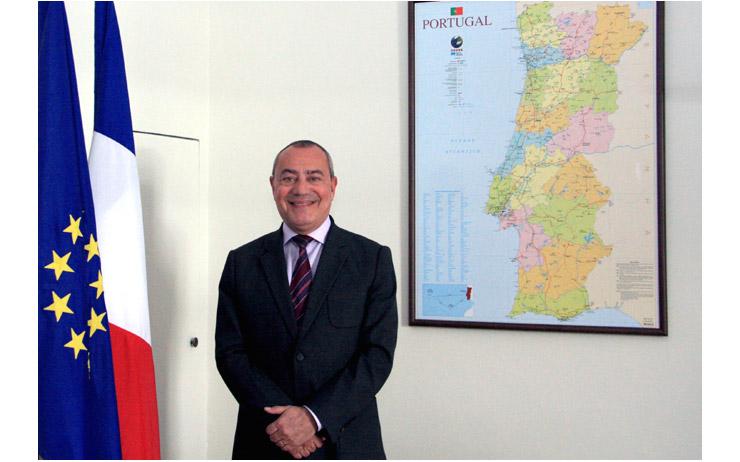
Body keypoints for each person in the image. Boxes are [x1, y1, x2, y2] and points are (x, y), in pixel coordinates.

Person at [216, 140, 398, 459]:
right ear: (273, 186)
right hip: (265, 441)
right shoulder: (241, 262)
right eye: (288, 178)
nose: (301, 189)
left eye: (314, 177)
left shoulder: (372, 260)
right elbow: (231, 352)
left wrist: (314, 418)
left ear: (333, 185)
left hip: (348, 444)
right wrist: (286, 423)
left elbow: (377, 354)